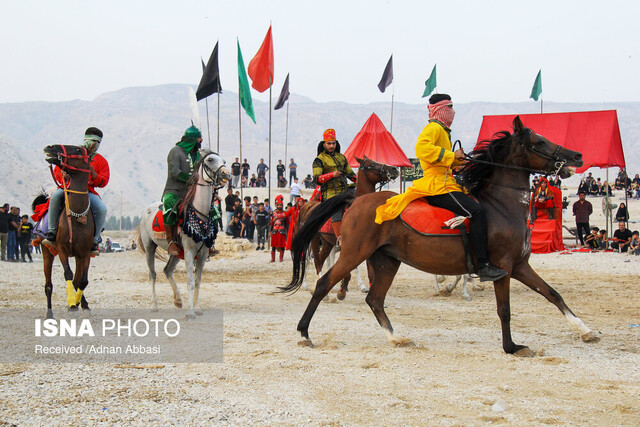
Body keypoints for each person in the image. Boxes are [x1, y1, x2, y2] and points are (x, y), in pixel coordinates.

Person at [374, 94, 507, 282]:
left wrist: (456, 162)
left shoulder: (443, 131)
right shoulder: (434, 127)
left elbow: (442, 160)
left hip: (445, 181)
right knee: (477, 212)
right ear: (440, 110)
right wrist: (451, 156)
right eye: (449, 107)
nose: (452, 111)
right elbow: (422, 149)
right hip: (437, 186)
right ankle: (483, 265)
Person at [43, 127, 109, 256]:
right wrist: (63, 174)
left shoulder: (101, 161)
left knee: (102, 209)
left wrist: (94, 174)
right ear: (85, 140)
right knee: (55, 197)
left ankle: (95, 240)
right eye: (91, 141)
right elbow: (58, 170)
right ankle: (51, 232)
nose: (93, 144)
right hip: (68, 188)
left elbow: (104, 182)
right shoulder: (72, 154)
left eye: (97, 142)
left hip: (87, 191)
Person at [160, 125, 203, 256]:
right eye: (198, 138)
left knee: (211, 209)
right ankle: (171, 241)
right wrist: (191, 178)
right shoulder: (175, 151)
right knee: (169, 205)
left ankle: (207, 243)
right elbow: (174, 172)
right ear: (192, 139)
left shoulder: (198, 155)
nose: (201, 140)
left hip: (192, 192)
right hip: (174, 190)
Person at [312, 128, 357, 249]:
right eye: (329, 143)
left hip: (345, 189)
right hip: (330, 193)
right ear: (324, 144)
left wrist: (360, 179)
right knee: (337, 206)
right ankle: (339, 239)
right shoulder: (319, 160)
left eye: (333, 143)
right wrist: (332, 175)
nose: (332, 146)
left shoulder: (342, 158)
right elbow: (316, 179)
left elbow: (350, 174)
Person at [270, 195, 288, 262]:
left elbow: (287, 223)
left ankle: (281, 258)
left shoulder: (285, 213)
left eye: (281, 205)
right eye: (278, 205)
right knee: (273, 245)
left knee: (282, 245)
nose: (279, 206)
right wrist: (270, 230)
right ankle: (273, 258)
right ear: (276, 205)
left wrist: (288, 231)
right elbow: (272, 222)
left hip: (282, 230)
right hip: (275, 230)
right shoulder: (274, 213)